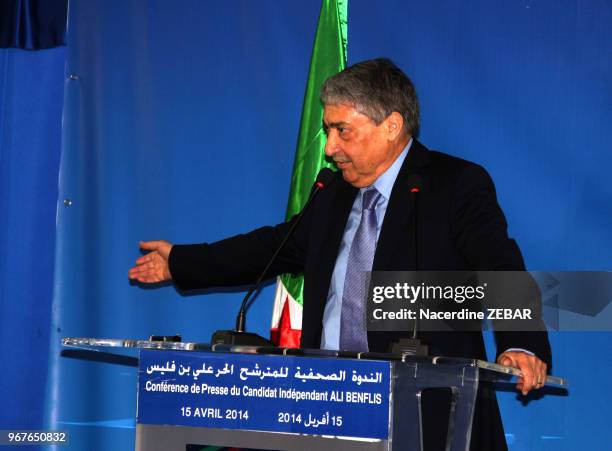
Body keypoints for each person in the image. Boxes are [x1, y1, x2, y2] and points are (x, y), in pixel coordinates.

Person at [129, 58, 551, 450]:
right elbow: (269, 250)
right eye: (328, 131)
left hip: (428, 414)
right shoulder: (332, 195)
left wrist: (522, 346)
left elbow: (501, 269)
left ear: (392, 125)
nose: (330, 148)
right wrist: (180, 261)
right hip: (330, 407)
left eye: (342, 130)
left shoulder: (454, 185)